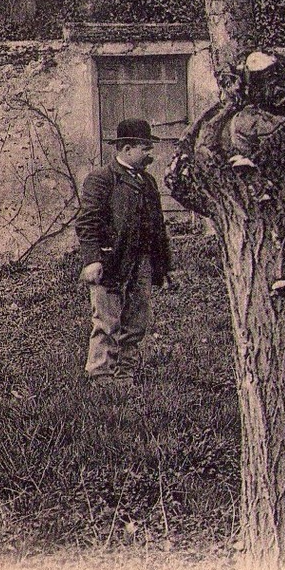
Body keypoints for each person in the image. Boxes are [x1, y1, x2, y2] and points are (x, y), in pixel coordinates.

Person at [75, 118, 173, 383]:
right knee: (107, 322)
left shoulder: (148, 182)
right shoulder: (102, 179)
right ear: (127, 149)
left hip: (142, 262)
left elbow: (157, 226)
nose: (150, 154)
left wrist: (162, 265)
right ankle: (101, 375)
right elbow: (87, 222)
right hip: (112, 260)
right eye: (145, 147)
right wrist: (93, 260)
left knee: (136, 323)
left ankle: (124, 375)